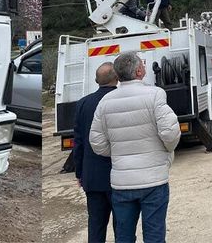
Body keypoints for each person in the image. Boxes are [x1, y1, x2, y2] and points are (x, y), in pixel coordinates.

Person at [90, 52, 180, 243]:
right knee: (154, 236)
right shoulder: (155, 94)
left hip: (122, 181)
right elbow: (170, 133)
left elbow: (97, 142)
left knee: (123, 237)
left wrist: (118, 153)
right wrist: (165, 151)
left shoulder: (105, 102)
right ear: (139, 71)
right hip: (154, 180)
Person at [74, 62, 119, 243]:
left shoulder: (83, 103)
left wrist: (79, 173)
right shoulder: (120, 100)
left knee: (96, 226)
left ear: (96, 80)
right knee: (122, 226)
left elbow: (79, 143)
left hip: (92, 176)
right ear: (117, 78)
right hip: (119, 176)